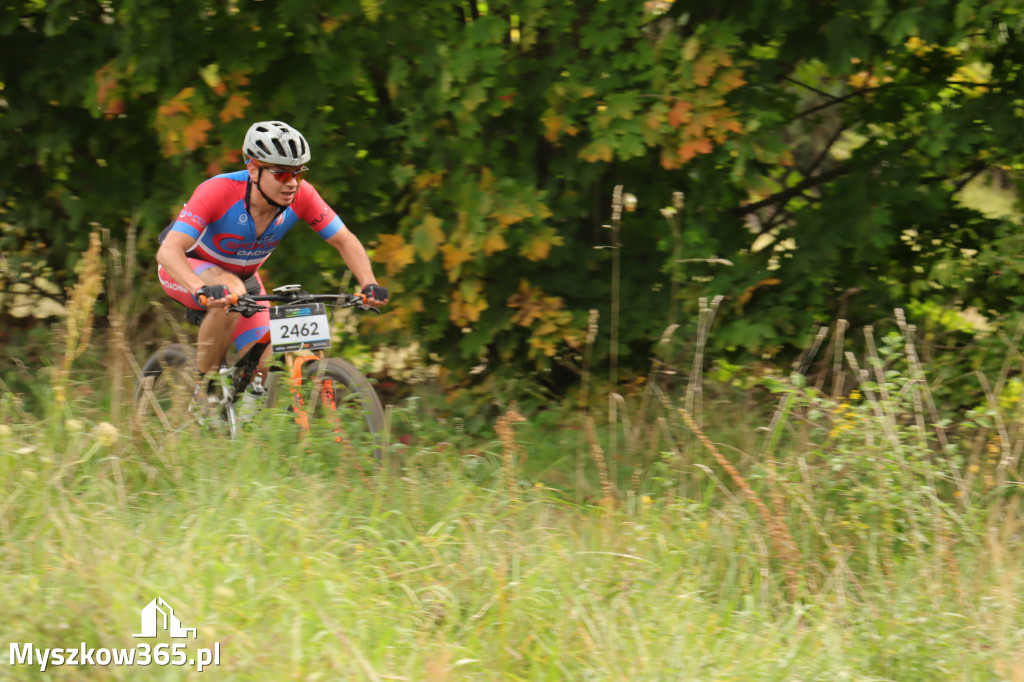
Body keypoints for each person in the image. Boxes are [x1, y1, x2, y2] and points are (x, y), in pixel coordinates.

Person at [155, 120, 388, 410]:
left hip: (244, 279)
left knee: (266, 359)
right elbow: (168, 251)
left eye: (297, 174)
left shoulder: (302, 196)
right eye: (280, 174)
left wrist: (368, 282)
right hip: (188, 269)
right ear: (253, 169)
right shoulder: (218, 191)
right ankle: (204, 394)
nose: (291, 183)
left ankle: (240, 418)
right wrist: (199, 287)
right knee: (230, 291)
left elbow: (344, 240)